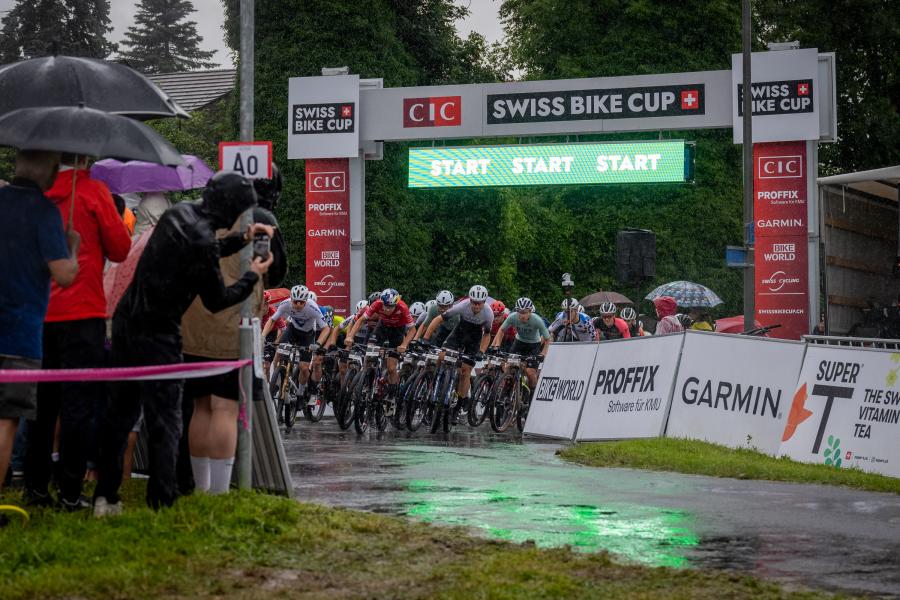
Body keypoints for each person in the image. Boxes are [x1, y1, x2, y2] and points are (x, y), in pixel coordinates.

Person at [93, 172, 274, 514]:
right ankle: (162, 500)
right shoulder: (203, 240)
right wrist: (253, 272)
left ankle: (106, 495)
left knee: (119, 414)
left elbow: (203, 246)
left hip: (127, 321)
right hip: (160, 333)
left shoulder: (178, 215)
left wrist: (240, 239)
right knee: (166, 419)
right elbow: (218, 299)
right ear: (228, 207)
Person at [24, 153, 132, 510]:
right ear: (84, 156)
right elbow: (120, 249)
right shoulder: (92, 191)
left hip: (39, 311)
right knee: (78, 406)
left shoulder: (36, 194)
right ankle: (70, 490)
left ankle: (36, 487)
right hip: (83, 310)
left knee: (41, 406)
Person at [180, 170, 287, 495]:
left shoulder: (201, 212)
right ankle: (220, 490)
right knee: (226, 406)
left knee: (201, 405)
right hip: (235, 322)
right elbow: (277, 272)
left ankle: (200, 487)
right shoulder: (260, 218)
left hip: (194, 319)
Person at [0, 150, 79, 494]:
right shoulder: (44, 211)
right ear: (47, 169)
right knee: (6, 419)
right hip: (20, 333)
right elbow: (64, 275)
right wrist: (72, 247)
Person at [423, 285, 494, 408]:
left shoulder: (488, 313)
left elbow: (487, 335)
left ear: (484, 302)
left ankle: (460, 404)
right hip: (459, 332)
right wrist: (426, 338)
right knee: (441, 356)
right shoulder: (462, 305)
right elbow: (438, 319)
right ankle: (436, 380)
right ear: (470, 300)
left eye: (479, 303)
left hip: (474, 338)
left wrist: (481, 351)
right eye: (473, 302)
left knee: (465, 372)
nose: (476, 306)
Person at [345, 289, 416, 413]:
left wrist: (404, 344)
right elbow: (361, 320)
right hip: (382, 327)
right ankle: (366, 382)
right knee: (369, 353)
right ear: (381, 302)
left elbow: (412, 330)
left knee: (391, 368)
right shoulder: (377, 304)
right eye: (385, 306)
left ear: (396, 304)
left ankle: (391, 397)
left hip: (398, 331)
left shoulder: (403, 307)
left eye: (391, 306)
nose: (387, 309)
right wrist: (350, 335)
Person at [490, 297, 551, 392]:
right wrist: (497, 346)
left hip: (533, 345)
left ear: (530, 311)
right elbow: (501, 330)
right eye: (519, 312)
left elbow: (548, 339)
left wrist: (542, 354)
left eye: (525, 312)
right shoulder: (512, 317)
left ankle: (531, 395)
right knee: (509, 366)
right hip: (519, 342)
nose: (522, 315)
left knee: (530, 372)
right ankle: (506, 391)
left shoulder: (537, 320)